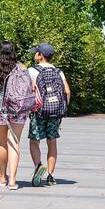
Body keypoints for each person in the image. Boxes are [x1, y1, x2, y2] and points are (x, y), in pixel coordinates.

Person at [0, 41, 34, 190]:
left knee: (2, 143)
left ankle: (2, 177)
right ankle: (13, 180)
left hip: (0, 108)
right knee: (14, 142)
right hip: (18, 108)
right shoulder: (21, 68)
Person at [28, 43, 71, 186]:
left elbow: (29, 91)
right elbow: (67, 91)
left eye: (36, 53)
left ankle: (38, 165)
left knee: (35, 141)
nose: (34, 54)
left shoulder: (32, 71)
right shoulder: (58, 71)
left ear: (40, 56)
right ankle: (51, 175)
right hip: (54, 112)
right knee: (52, 141)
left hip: (38, 112)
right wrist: (62, 109)